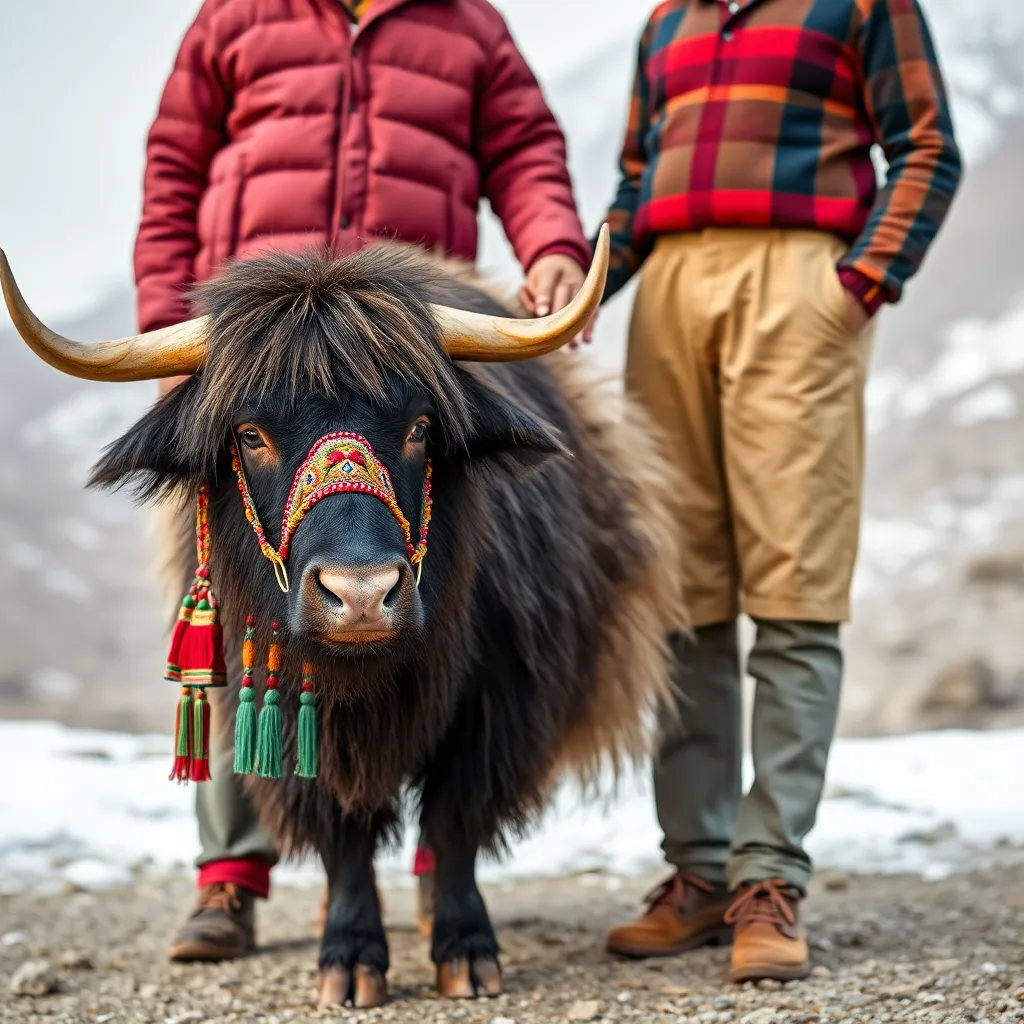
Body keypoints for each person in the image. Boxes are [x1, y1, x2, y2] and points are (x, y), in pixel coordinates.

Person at [136, 0, 591, 962]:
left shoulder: (467, 21)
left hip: (413, 329)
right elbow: (176, 163)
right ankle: (231, 875)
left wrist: (552, 244)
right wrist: (165, 330)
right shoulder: (235, 17)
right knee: (226, 611)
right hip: (258, 343)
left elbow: (523, 144)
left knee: (501, 591)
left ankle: (446, 859)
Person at [597, 0, 961, 982]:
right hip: (668, 291)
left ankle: (769, 877)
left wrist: (859, 281)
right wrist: (588, 284)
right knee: (682, 594)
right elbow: (637, 179)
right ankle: (699, 871)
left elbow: (928, 148)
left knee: (795, 588)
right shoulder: (666, 20)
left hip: (799, 284)